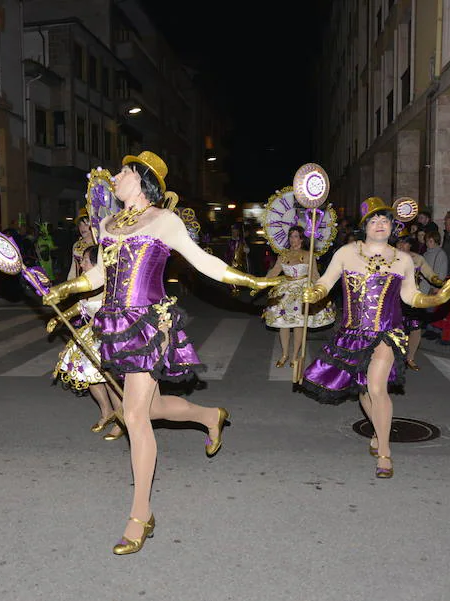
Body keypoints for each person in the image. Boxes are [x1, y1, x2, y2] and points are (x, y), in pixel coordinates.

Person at [42, 151, 280, 554]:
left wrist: (252, 281)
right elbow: (101, 273)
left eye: (123, 171)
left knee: (132, 414)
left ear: (141, 179)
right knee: (148, 409)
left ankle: (140, 515)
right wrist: (66, 289)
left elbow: (204, 262)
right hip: (114, 324)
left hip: (149, 324)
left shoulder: (164, 221)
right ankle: (210, 416)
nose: (115, 177)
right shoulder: (108, 223)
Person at [297, 197, 450, 478]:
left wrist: (438, 297)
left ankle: (384, 453)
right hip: (352, 333)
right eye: (373, 220)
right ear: (365, 226)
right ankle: (378, 430)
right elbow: (326, 281)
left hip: (387, 332)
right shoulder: (347, 253)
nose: (379, 224)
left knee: (376, 387)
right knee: (363, 389)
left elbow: (410, 296)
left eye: (384, 220)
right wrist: (315, 292)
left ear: (393, 226)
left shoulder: (403, 259)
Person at [49, 245, 123, 440]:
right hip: (90, 336)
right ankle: (106, 412)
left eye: (85, 261)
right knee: (89, 376)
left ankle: (122, 420)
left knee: (109, 381)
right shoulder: (88, 285)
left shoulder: (110, 286)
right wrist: (59, 318)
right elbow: (81, 306)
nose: (80, 263)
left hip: (108, 337)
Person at [263, 225, 335, 367]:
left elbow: (314, 275)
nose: (292, 239)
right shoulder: (283, 255)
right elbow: (274, 272)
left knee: (298, 325)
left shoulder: (309, 255)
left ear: (301, 239)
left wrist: (322, 289)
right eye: (291, 236)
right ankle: (284, 354)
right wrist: (260, 281)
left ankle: (295, 355)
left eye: (296, 236)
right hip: (285, 291)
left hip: (302, 292)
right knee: (282, 324)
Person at [395, 237, 446, 370]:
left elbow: (430, 275)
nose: (401, 245)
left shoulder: (418, 259)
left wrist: (442, 284)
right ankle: (395, 358)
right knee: (396, 329)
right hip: (394, 299)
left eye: (404, 242)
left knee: (415, 329)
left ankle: (410, 358)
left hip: (412, 298)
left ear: (410, 245)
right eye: (399, 242)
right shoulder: (389, 258)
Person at [67, 208, 96, 281]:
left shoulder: (99, 244)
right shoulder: (76, 245)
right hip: (80, 284)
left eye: (86, 224)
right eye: (80, 225)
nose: (82, 228)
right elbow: (73, 268)